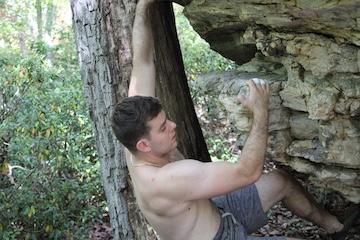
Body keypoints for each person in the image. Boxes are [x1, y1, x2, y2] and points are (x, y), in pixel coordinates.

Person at [111, 0, 356, 239]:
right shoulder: (170, 179)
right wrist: (261, 111)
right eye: (164, 128)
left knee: (281, 181)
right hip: (221, 235)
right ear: (144, 144)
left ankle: (335, 227)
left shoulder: (135, 142)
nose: (174, 125)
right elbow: (247, 172)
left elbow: (142, 62)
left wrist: (144, 5)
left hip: (215, 209)